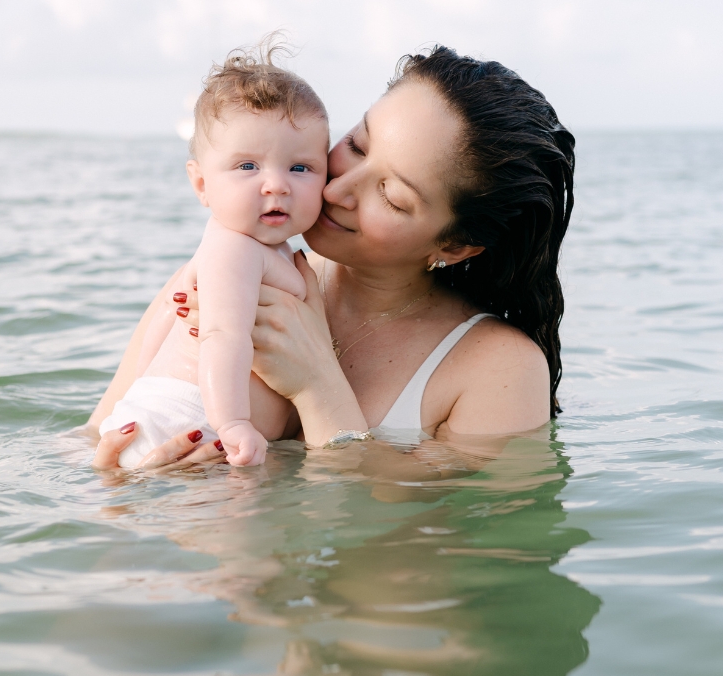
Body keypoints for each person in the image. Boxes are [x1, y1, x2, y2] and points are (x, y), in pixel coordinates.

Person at [90, 45, 574, 469]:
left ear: (454, 246)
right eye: (357, 145)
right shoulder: (228, 275)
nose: (338, 188)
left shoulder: (498, 369)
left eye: (391, 196)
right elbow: (85, 442)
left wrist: (317, 386)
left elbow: (432, 544)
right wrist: (120, 477)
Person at [102, 46, 328, 467]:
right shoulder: (234, 249)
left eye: (300, 168)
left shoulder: (246, 247)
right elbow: (223, 336)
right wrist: (234, 423)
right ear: (202, 183)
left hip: (172, 418)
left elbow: (163, 323)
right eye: (247, 166)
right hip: (190, 420)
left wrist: (134, 392)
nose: (276, 185)